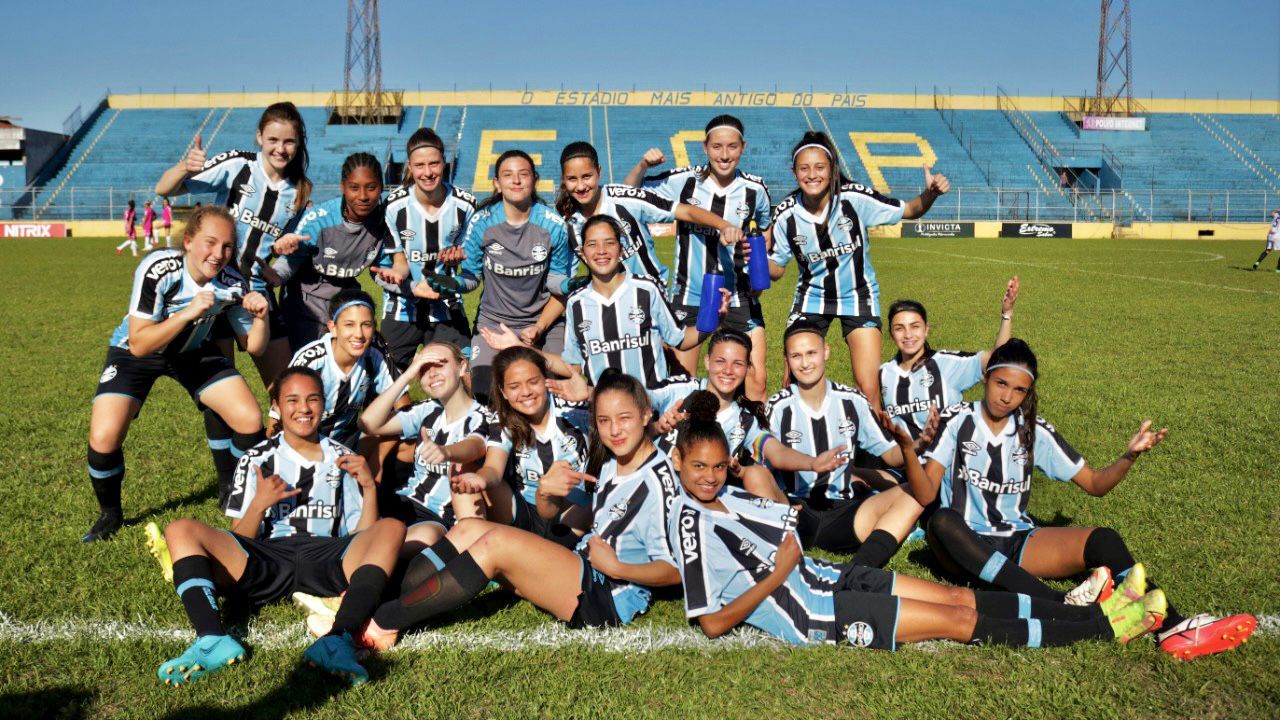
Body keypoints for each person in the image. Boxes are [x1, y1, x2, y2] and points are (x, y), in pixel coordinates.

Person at [666, 398, 1165, 650]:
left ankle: (1077, 608)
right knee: (958, 622)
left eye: (716, 466)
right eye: (697, 468)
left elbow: (789, 520)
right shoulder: (691, 522)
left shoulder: (731, 495)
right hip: (817, 613)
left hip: (829, 577)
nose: (709, 477)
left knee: (956, 596)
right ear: (678, 464)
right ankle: (1102, 628)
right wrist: (779, 573)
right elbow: (712, 623)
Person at [905, 338, 1256, 659]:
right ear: (987, 377)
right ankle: (1064, 604)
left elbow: (1095, 484)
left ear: (1028, 393)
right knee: (943, 520)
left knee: (1103, 539)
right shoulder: (956, 420)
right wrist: (910, 448)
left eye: (1019, 389)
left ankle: (1174, 628)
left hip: (1017, 541)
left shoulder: (1033, 431)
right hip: (960, 545)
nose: (1007, 396)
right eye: (1000, 384)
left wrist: (1129, 455)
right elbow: (926, 493)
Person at [366, 369, 681, 643]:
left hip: (606, 593)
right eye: (604, 421)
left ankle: (380, 623)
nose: (614, 430)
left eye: (624, 418)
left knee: (496, 542)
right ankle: (376, 599)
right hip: (581, 563)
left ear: (645, 414)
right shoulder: (615, 464)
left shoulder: (658, 479)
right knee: (469, 528)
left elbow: (676, 570)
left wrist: (618, 568)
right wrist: (550, 497)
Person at [155, 367, 405, 686]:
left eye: (313, 399)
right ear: (277, 406)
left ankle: (339, 639)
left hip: (326, 557)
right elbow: (240, 538)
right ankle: (211, 639)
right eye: (293, 400)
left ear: (324, 405)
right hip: (266, 559)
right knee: (180, 529)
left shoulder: (343, 457)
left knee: (392, 527)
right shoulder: (257, 458)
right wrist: (259, 503)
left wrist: (369, 488)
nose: (303, 408)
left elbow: (361, 537)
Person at [85, 206, 270, 542]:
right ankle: (110, 513)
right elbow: (141, 344)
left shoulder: (232, 282)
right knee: (103, 437)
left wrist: (261, 315)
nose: (218, 254)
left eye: (227, 246)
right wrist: (188, 313)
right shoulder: (158, 269)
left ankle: (232, 489)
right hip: (136, 352)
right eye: (210, 243)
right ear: (188, 241)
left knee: (249, 419)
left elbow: (255, 347)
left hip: (191, 353)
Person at [549, 329, 845, 503]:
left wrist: (811, 462)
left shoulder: (745, 420)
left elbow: (774, 452)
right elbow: (628, 400)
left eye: (737, 364)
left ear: (746, 369)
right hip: (651, 490)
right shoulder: (682, 390)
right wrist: (592, 394)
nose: (728, 371)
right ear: (706, 361)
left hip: (700, 501)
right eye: (720, 361)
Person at [768, 131, 951, 406]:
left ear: (832, 170)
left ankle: (874, 448)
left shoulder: (854, 198)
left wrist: (931, 193)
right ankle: (799, 442)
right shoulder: (785, 215)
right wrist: (753, 257)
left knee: (868, 390)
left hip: (858, 296)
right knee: (792, 385)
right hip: (811, 299)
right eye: (804, 168)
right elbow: (777, 268)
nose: (812, 174)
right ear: (794, 172)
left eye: (820, 167)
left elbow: (911, 210)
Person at [155, 102, 314, 388]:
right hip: (214, 288)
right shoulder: (238, 166)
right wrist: (184, 167)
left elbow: (284, 247)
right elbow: (164, 189)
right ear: (259, 137)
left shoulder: (300, 190)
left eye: (289, 141)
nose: (280, 148)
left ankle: (279, 433)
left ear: (298, 143)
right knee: (220, 385)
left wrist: (277, 270)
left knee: (284, 386)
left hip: (257, 292)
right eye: (273, 140)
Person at [479, 215, 730, 387]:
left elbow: (680, 340)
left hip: (652, 407)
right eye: (592, 245)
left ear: (621, 250)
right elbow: (573, 367)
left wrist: (715, 320)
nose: (601, 251)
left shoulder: (646, 289)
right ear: (583, 254)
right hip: (605, 416)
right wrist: (520, 347)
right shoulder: (576, 303)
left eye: (609, 243)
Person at [626, 115, 770, 400]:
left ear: (743, 147)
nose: (724, 155)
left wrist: (756, 263)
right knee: (683, 384)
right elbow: (630, 193)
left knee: (756, 380)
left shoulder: (756, 190)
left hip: (739, 296)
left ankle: (752, 441)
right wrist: (643, 165)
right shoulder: (683, 181)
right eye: (717, 147)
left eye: (732, 147)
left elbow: (765, 230)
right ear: (705, 147)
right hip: (689, 296)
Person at [765, 322, 927, 567]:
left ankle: (860, 568)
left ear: (826, 351)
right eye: (796, 356)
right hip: (796, 513)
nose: (805, 363)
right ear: (786, 359)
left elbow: (890, 455)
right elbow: (762, 470)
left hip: (845, 512)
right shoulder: (777, 407)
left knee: (914, 493)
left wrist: (914, 445)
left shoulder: (852, 401)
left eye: (812, 353)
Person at [456, 149, 576, 402]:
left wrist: (569, 288)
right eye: (508, 175)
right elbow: (471, 278)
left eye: (523, 174)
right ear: (497, 184)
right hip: (494, 323)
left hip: (543, 323)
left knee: (558, 393)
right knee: (483, 393)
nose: (516, 180)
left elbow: (556, 284)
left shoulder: (553, 224)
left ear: (534, 180)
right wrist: (452, 284)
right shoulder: (482, 222)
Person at [452, 347, 592, 545]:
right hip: (526, 508)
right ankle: (474, 547)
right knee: (465, 470)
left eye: (533, 382)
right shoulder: (503, 418)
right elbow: (493, 467)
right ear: (503, 392)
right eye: (514, 386)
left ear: (546, 379)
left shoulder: (574, 407)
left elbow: (636, 411)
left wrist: (589, 394)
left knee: (593, 503)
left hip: (575, 507)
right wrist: (481, 479)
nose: (526, 392)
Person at [359, 341, 494, 544]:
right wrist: (406, 376)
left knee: (421, 537)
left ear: (462, 366)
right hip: (403, 501)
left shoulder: (483, 417)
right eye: (423, 369)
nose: (431, 374)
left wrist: (446, 452)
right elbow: (368, 424)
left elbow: (475, 446)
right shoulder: (426, 410)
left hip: (438, 518)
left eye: (439, 364)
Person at [270, 153, 408, 350]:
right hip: (305, 304)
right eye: (354, 188)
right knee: (310, 371)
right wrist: (273, 277)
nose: (363, 196)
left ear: (381, 187)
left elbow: (381, 270)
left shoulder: (384, 222)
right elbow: (290, 262)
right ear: (343, 187)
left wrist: (391, 277)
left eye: (371, 187)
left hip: (346, 302)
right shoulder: (319, 219)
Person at [556, 141, 743, 285]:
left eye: (586, 176)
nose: (580, 186)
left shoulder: (625, 198)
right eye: (572, 179)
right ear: (564, 180)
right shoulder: (566, 222)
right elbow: (567, 276)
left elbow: (684, 211)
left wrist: (724, 225)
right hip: (611, 304)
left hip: (653, 295)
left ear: (599, 172)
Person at [376, 128, 477, 371]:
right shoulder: (392, 205)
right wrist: (398, 276)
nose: (428, 172)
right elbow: (395, 262)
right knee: (384, 380)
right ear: (409, 166)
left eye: (434, 163)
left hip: (447, 307)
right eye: (420, 165)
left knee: (464, 377)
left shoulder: (466, 206)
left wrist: (462, 259)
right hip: (401, 307)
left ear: (444, 162)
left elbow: (473, 272)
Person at [880, 277, 1019, 439]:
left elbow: (996, 359)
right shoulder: (882, 374)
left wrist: (1007, 315)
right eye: (899, 328)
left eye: (915, 326)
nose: (908, 335)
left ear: (926, 330)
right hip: (900, 462)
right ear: (891, 334)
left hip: (945, 461)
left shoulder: (947, 363)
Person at [279, 290, 399, 460]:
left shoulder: (375, 353)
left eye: (366, 324)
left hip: (349, 443)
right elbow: (278, 419)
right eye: (349, 325)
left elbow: (404, 409)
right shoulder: (312, 360)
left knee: (407, 442)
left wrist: (375, 466)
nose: (359, 334)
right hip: (307, 444)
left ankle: (372, 481)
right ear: (333, 328)